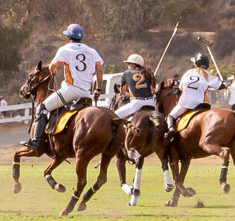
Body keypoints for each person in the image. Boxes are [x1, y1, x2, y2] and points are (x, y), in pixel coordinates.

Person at [25, 24, 102, 155]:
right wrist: (98, 90)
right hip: (87, 94)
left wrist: (53, 70)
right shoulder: (92, 51)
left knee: (42, 108)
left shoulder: (65, 49)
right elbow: (99, 70)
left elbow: (52, 67)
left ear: (68, 36)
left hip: (71, 91)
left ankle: (36, 141)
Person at [168, 53, 221, 126]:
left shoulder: (188, 73)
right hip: (202, 104)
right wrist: (226, 83)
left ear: (196, 64)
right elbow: (221, 86)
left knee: (171, 116)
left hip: (186, 104)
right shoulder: (208, 75)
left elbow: (180, 88)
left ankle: (171, 131)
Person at [115, 54, 159, 120]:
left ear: (133, 65)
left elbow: (122, 92)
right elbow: (153, 91)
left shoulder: (126, 73)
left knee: (114, 115)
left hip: (136, 104)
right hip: (152, 103)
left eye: (129, 64)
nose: (128, 66)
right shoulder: (149, 73)